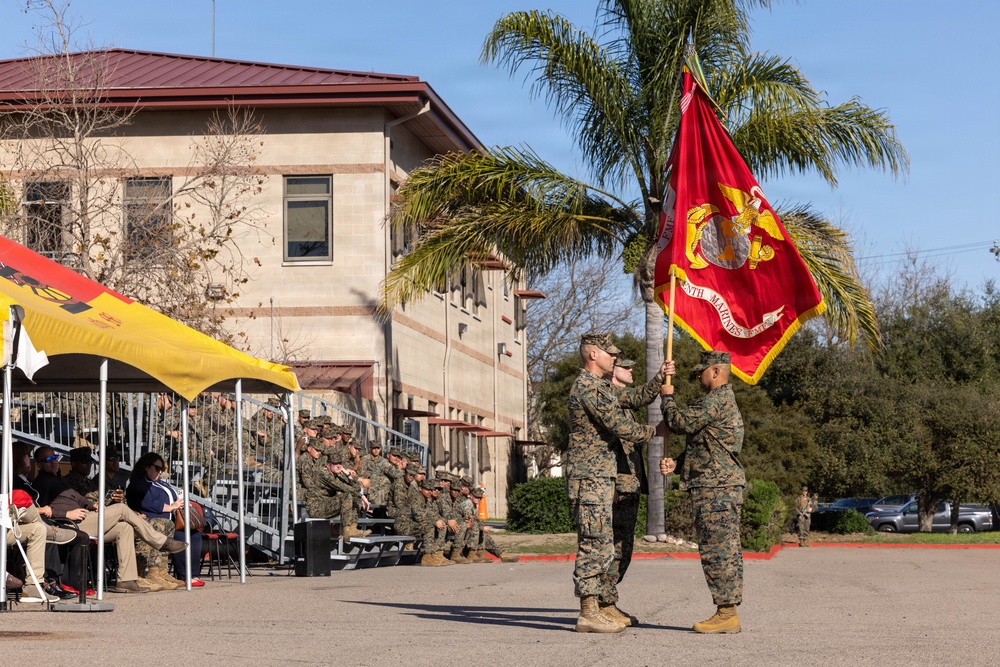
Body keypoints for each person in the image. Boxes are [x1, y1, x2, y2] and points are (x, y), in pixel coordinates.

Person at [567, 333, 665, 633]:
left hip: (600, 477)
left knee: (603, 545)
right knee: (594, 543)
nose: (615, 358)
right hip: (590, 477)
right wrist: (655, 432)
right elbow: (618, 424)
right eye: (610, 354)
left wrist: (660, 378)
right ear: (593, 354)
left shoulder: (599, 387)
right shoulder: (587, 387)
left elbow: (632, 399)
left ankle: (598, 606)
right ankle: (587, 611)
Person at [659, 350, 746, 634]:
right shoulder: (721, 401)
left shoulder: (717, 399)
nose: (698, 377)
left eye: (702, 372)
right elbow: (706, 443)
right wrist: (679, 462)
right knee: (723, 549)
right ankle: (726, 610)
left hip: (716, 487)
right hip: (717, 485)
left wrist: (667, 397)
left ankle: (726, 613)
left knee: (717, 551)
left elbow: (681, 423)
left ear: (717, 372)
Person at [32, 445, 188, 594]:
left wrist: (94, 505)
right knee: (121, 509)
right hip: (69, 524)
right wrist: (65, 514)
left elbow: (81, 499)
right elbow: (38, 509)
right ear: (38, 465)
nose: (53, 461)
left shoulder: (60, 481)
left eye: (55, 457)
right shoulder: (42, 482)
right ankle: (161, 542)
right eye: (48, 460)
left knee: (124, 527)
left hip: (85, 518)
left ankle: (127, 580)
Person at [606, 356, 666, 615]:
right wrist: (661, 377)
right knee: (614, 547)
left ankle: (608, 601)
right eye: (625, 366)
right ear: (611, 370)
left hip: (630, 484)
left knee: (624, 547)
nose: (631, 370)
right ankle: (604, 603)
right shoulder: (609, 394)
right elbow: (641, 396)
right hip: (618, 485)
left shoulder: (622, 400)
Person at [126, 452, 205, 588]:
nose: (159, 472)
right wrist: (170, 507)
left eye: (161, 469)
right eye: (157, 468)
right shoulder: (139, 483)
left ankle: (193, 574)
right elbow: (146, 502)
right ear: (146, 466)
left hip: (171, 521)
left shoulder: (161, 483)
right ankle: (184, 575)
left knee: (195, 535)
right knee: (180, 537)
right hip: (152, 521)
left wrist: (180, 503)